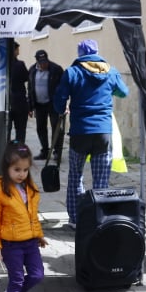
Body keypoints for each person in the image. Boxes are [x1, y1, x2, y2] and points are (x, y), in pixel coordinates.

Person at [52, 39, 129, 230]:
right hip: (103, 133)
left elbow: (59, 101)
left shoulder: (72, 72)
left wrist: (63, 108)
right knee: (101, 180)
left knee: (75, 176)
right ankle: (98, 219)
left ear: (80, 53)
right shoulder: (111, 71)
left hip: (80, 132)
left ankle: (76, 219)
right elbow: (123, 92)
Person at [0, 144, 46, 292]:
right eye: (17, 170)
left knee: (38, 275)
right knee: (17, 278)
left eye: (25, 170)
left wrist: (39, 235)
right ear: (7, 168)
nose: (21, 174)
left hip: (30, 242)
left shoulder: (30, 188)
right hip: (11, 244)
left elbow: (32, 216)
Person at [27, 50, 64, 161]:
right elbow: (30, 88)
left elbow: (63, 87)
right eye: (41, 62)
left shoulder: (56, 69)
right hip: (39, 104)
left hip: (53, 104)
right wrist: (30, 106)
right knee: (40, 128)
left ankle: (57, 152)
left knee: (56, 128)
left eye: (45, 61)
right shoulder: (32, 70)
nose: (44, 64)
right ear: (37, 61)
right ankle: (45, 151)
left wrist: (63, 103)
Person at [8, 42, 29, 144]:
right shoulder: (20, 65)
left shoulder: (3, 65)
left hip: (6, 102)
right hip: (19, 101)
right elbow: (26, 77)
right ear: (14, 51)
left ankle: (5, 151)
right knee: (20, 130)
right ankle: (19, 150)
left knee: (6, 129)